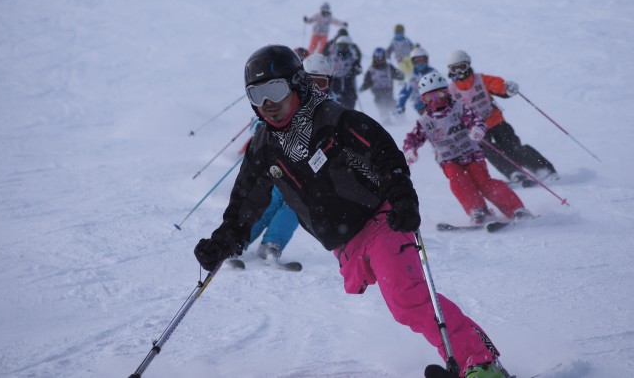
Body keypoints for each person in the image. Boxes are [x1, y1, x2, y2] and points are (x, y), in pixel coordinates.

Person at [194, 45, 505, 378]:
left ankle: (480, 363)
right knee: (403, 302)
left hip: (381, 218)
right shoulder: (264, 146)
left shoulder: (332, 119)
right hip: (344, 242)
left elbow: (384, 152)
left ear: (297, 83)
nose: (267, 103)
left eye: (275, 89)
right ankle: (473, 354)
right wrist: (226, 238)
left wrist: (401, 194)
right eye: (257, 94)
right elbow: (245, 201)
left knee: (406, 299)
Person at [228, 52, 335, 268]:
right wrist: (262, 128)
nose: (316, 87)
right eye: (312, 81)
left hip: (308, 173)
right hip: (279, 167)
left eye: (321, 83)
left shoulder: (329, 108)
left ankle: (272, 245)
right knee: (267, 202)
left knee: (295, 208)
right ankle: (239, 241)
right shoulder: (286, 99)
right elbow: (258, 121)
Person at [403, 72, 533, 226]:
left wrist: (477, 129)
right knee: (459, 181)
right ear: (424, 100)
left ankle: (516, 209)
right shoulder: (425, 121)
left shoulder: (459, 109)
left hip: (471, 153)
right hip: (448, 159)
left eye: (440, 94)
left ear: (447, 92)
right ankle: (477, 210)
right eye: (430, 97)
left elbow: (476, 120)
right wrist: (410, 151)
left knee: (483, 182)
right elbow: (413, 138)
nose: (436, 100)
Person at [446, 50, 558, 187]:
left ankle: (543, 169)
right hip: (477, 129)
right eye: (454, 68)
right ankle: (514, 173)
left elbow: (497, 84)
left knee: (513, 147)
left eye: (462, 67)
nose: (459, 71)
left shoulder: (481, 79)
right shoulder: (451, 91)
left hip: (495, 120)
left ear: (468, 65)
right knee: (489, 150)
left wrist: (507, 89)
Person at [359, 47, 404, 122]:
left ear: (384, 58)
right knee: (382, 107)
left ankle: (400, 119)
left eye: (381, 58)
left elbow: (399, 75)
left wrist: (400, 75)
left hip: (388, 92)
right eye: (377, 58)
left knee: (392, 105)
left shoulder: (389, 67)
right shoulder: (371, 70)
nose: (379, 60)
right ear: (374, 58)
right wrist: (362, 88)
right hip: (377, 93)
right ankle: (386, 120)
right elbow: (367, 83)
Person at [395, 46, 436, 116]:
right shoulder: (411, 78)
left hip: (435, 103)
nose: (420, 63)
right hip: (420, 106)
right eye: (417, 61)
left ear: (426, 61)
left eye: (422, 60)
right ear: (413, 63)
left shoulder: (433, 73)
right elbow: (405, 92)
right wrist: (401, 104)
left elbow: (444, 87)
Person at [330, 35, 362, 109]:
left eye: (345, 46)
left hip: (349, 83)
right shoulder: (333, 57)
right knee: (336, 105)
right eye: (340, 46)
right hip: (336, 82)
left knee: (349, 105)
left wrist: (354, 69)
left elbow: (359, 69)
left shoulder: (352, 57)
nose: (342, 48)